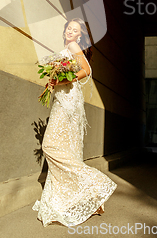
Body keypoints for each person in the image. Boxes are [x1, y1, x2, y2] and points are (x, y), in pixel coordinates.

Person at [33, 18, 117, 227]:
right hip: (66, 102)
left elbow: (86, 70)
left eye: (75, 30)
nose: (71, 32)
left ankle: (96, 181)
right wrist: (53, 80)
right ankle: (85, 199)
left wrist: (64, 79)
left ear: (80, 36)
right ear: (65, 31)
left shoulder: (73, 46)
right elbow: (65, 73)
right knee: (68, 151)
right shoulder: (65, 49)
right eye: (69, 28)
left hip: (67, 105)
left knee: (49, 146)